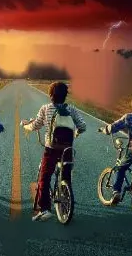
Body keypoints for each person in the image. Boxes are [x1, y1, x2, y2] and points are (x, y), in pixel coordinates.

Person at [21, 81, 86, 222]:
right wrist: (77, 132)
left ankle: (44, 209)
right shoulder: (72, 110)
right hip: (67, 149)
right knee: (66, 177)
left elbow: (36, 125)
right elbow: (83, 125)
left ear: (50, 95)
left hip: (51, 149)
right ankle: (66, 205)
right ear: (65, 96)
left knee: (44, 178)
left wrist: (26, 126)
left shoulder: (46, 108)